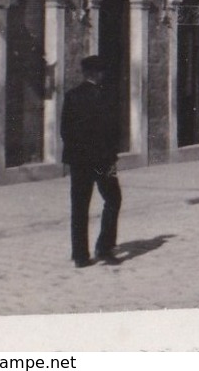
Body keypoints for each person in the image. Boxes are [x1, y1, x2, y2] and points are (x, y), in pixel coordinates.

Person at [60, 55, 122, 267]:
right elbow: (113, 131)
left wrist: (77, 153)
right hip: (102, 161)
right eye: (102, 71)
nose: (104, 75)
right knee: (113, 199)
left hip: (79, 162)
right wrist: (111, 157)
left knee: (79, 206)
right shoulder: (107, 96)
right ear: (96, 73)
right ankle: (104, 248)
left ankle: (80, 256)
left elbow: (65, 131)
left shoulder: (71, 96)